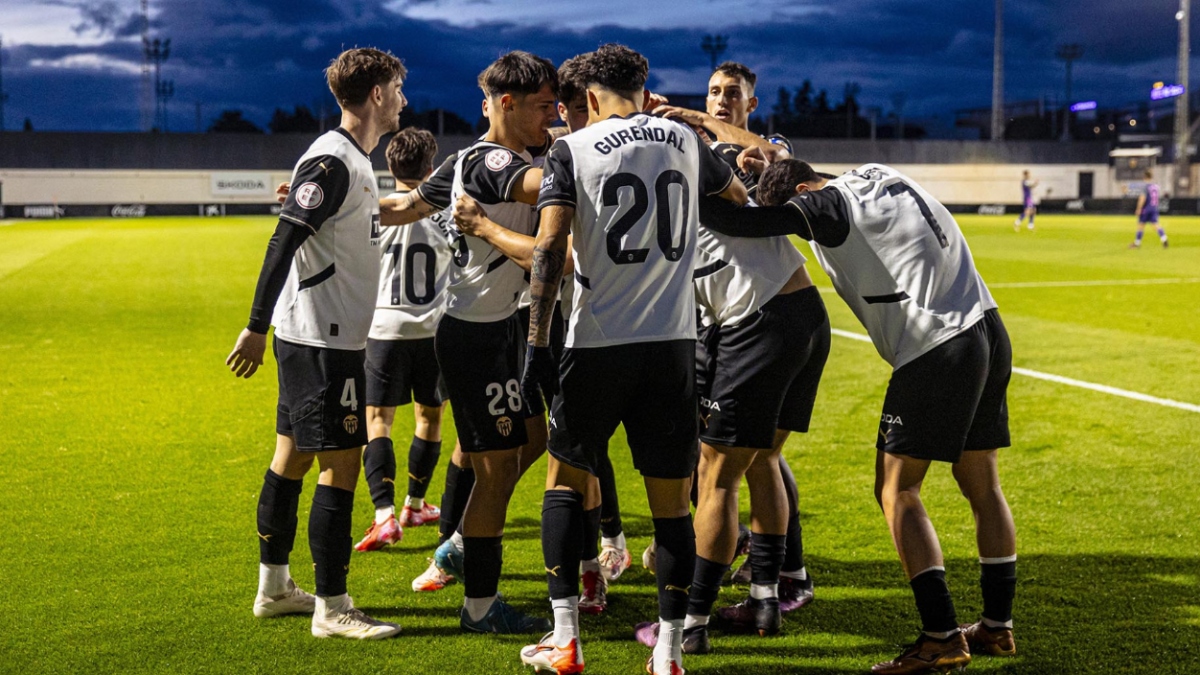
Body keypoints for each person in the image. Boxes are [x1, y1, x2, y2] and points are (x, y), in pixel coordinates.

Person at [701, 156, 1017, 674]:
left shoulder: (826, 203)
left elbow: (745, 223)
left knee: (897, 491)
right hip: (987, 327)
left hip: (935, 345)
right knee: (982, 484)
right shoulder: (871, 172)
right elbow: (782, 162)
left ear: (804, 190)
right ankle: (997, 628)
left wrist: (682, 184)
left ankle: (940, 637)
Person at [517, 44, 747, 675]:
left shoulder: (574, 148)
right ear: (644, 89)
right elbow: (738, 196)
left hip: (595, 345)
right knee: (671, 505)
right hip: (673, 345)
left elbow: (548, 250)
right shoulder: (680, 138)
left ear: (590, 97)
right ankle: (669, 653)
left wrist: (536, 344)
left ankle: (565, 640)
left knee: (565, 482)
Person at [635, 61, 827, 654]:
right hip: (780, 312)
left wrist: (682, 121)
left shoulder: (755, 152)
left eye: (730, 94)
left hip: (757, 314)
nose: (719, 101)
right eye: (712, 92)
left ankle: (689, 624)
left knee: (717, 473)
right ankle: (767, 595)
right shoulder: (695, 151)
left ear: (750, 101)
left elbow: (770, 160)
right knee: (760, 458)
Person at [225, 47, 408, 640]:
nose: (403, 98)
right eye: (398, 88)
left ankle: (275, 588)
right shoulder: (333, 161)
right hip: (322, 343)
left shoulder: (350, 162)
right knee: (340, 465)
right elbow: (282, 242)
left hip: (319, 337)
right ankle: (334, 607)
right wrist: (255, 327)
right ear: (377, 94)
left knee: (294, 457)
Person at [433, 50, 559, 635]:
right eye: (543, 106)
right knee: (496, 472)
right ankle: (479, 604)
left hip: (500, 327)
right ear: (505, 105)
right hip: (474, 336)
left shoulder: (508, 150)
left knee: (534, 437)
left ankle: (458, 542)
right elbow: (542, 187)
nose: (552, 115)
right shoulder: (490, 162)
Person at [353, 128, 452, 554]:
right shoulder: (446, 212)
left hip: (385, 330)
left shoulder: (374, 212)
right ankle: (414, 503)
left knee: (378, 421)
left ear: (390, 167)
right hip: (433, 332)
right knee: (429, 418)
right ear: (431, 168)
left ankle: (384, 516)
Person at [1129, 170, 1168, 249]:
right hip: (1154, 208)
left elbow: (1142, 198)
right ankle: (1164, 238)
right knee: (1155, 224)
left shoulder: (1145, 187)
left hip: (1146, 209)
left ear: (1144, 177)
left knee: (1141, 225)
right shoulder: (1155, 186)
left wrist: (1138, 209)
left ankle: (1137, 243)